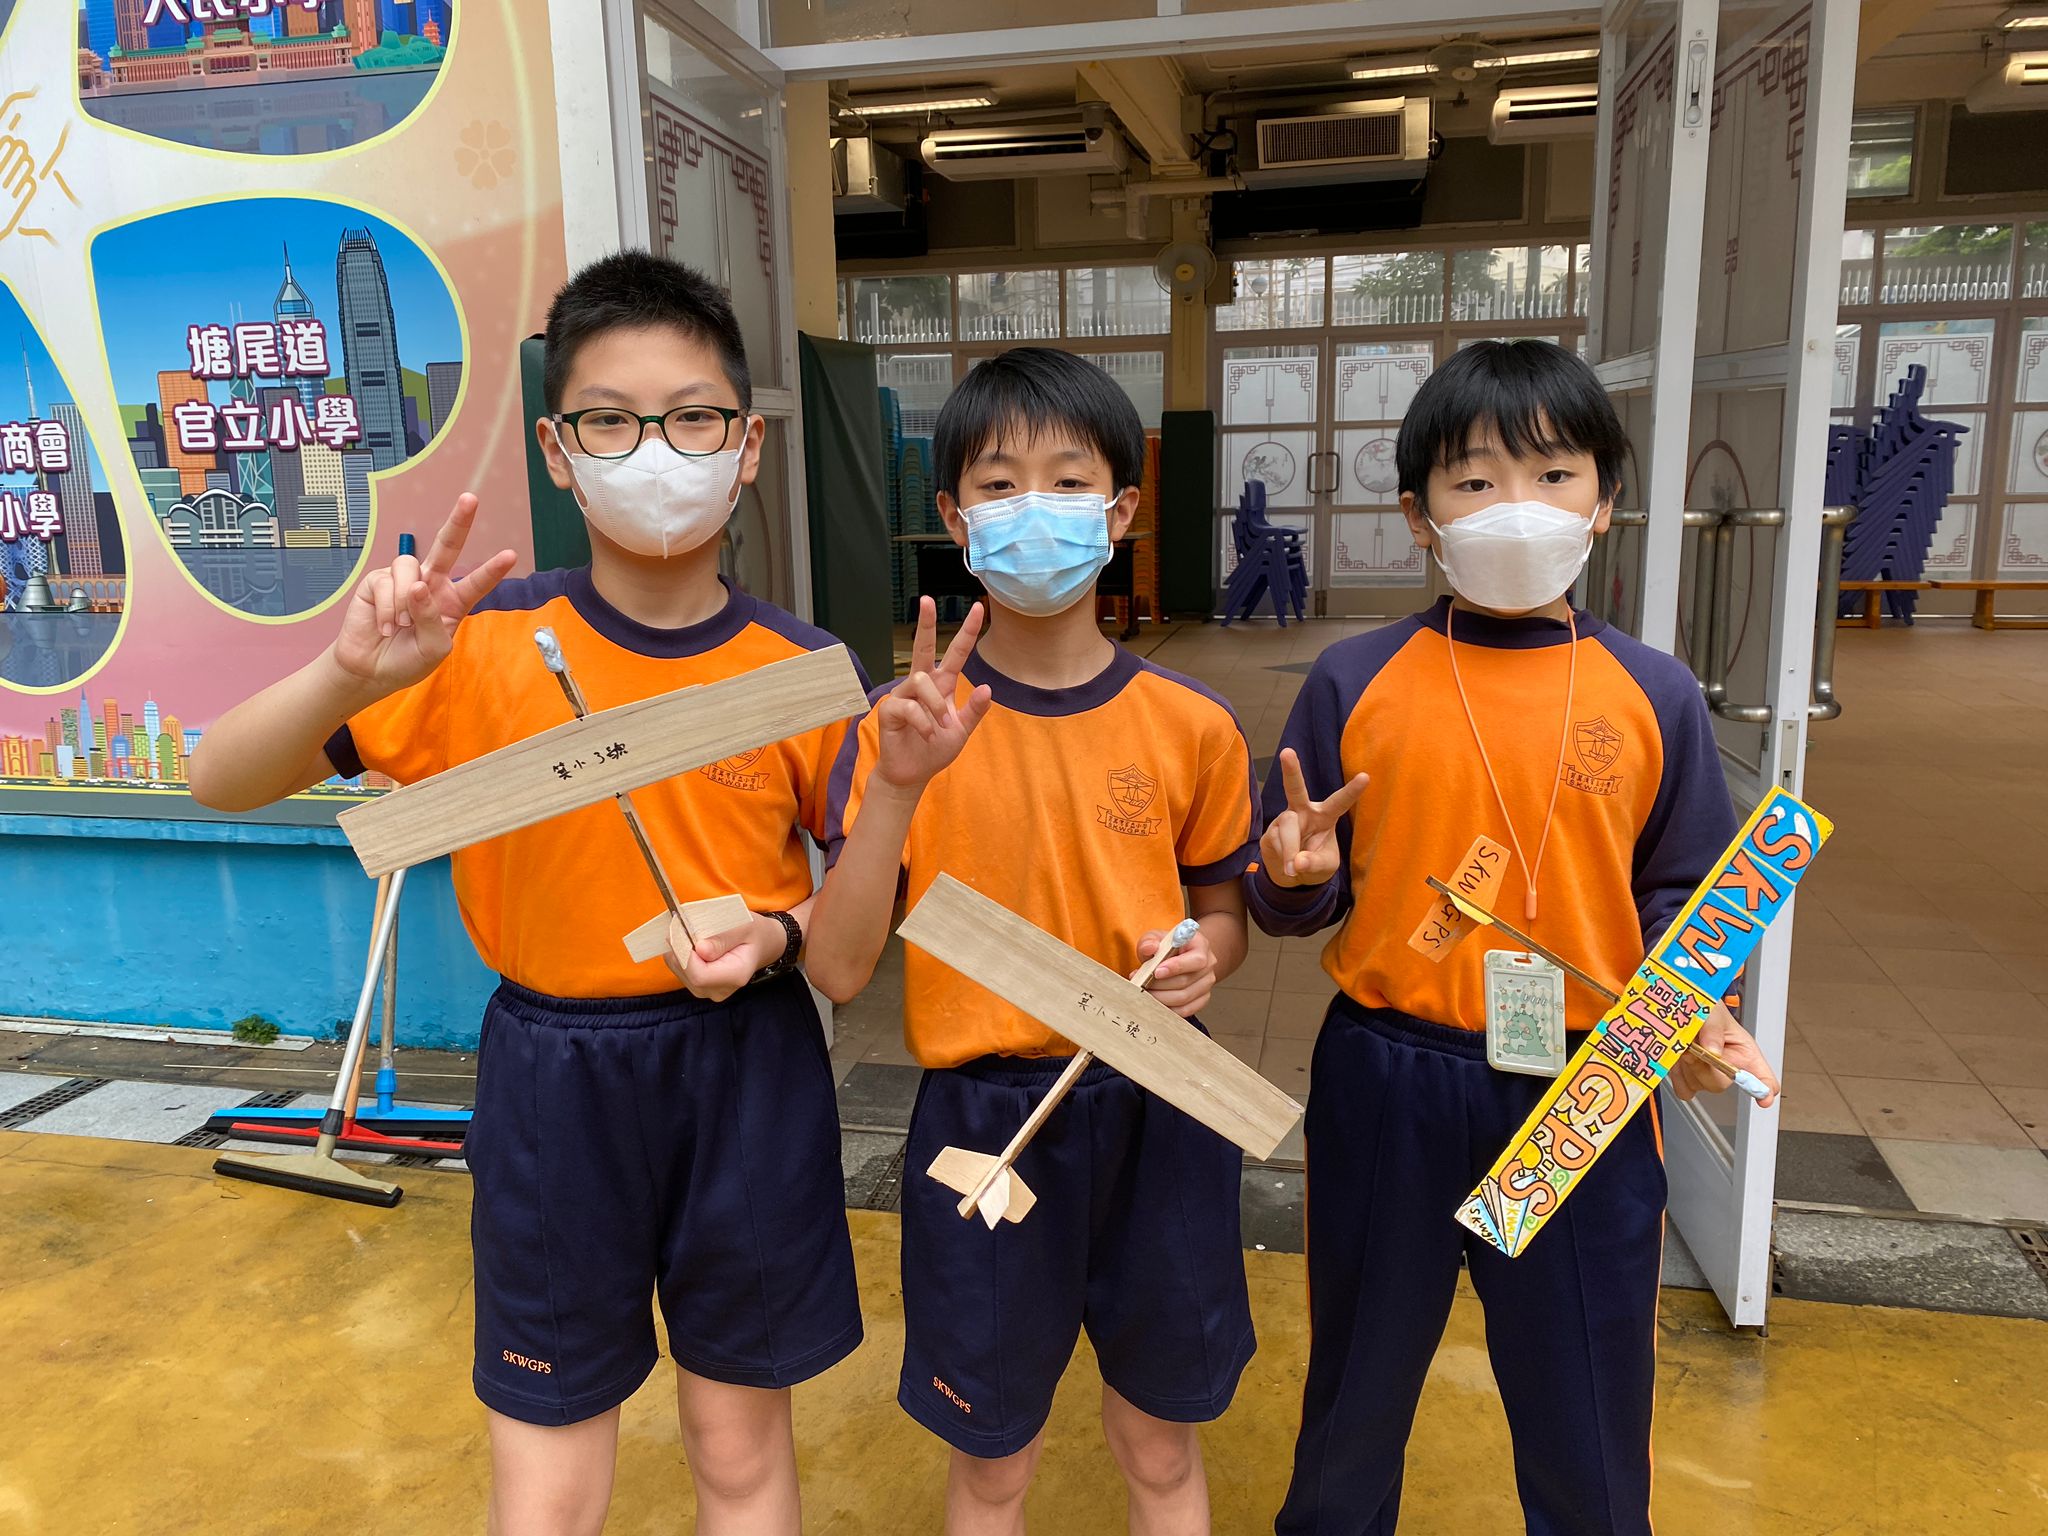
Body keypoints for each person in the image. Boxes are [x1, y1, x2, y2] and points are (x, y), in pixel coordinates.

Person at [189, 251, 863, 1536]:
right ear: (557, 452)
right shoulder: (473, 643)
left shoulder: (803, 670)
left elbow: (858, 921)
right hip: (553, 1078)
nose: (654, 451)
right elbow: (221, 778)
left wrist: (780, 930)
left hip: (746, 1070)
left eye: (693, 417)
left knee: (738, 1450)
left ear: (748, 446)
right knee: (548, 1474)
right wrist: (350, 674)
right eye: (610, 420)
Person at [1250, 340, 1781, 1536]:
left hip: (1585, 1083)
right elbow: (1293, 889)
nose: (1515, 507)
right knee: (1356, 1385)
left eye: (1551, 475)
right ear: (1417, 515)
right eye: (1474, 480)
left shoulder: (1652, 691)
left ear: (1602, 503)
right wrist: (1287, 877)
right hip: (1389, 1072)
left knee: (1583, 1398)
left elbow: (1688, 890)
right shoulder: (1354, 678)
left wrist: (1692, 1008)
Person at [807, 347, 1261, 1536]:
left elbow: (1223, 915)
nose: (1034, 508)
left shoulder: (1193, 725)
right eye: (999, 485)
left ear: (1120, 510)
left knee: (1157, 1443)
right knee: (992, 1463)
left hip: (1162, 1103)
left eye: (1066, 481)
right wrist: (896, 788)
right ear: (955, 520)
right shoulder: (901, 730)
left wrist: (1209, 956)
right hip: (983, 1124)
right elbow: (836, 968)